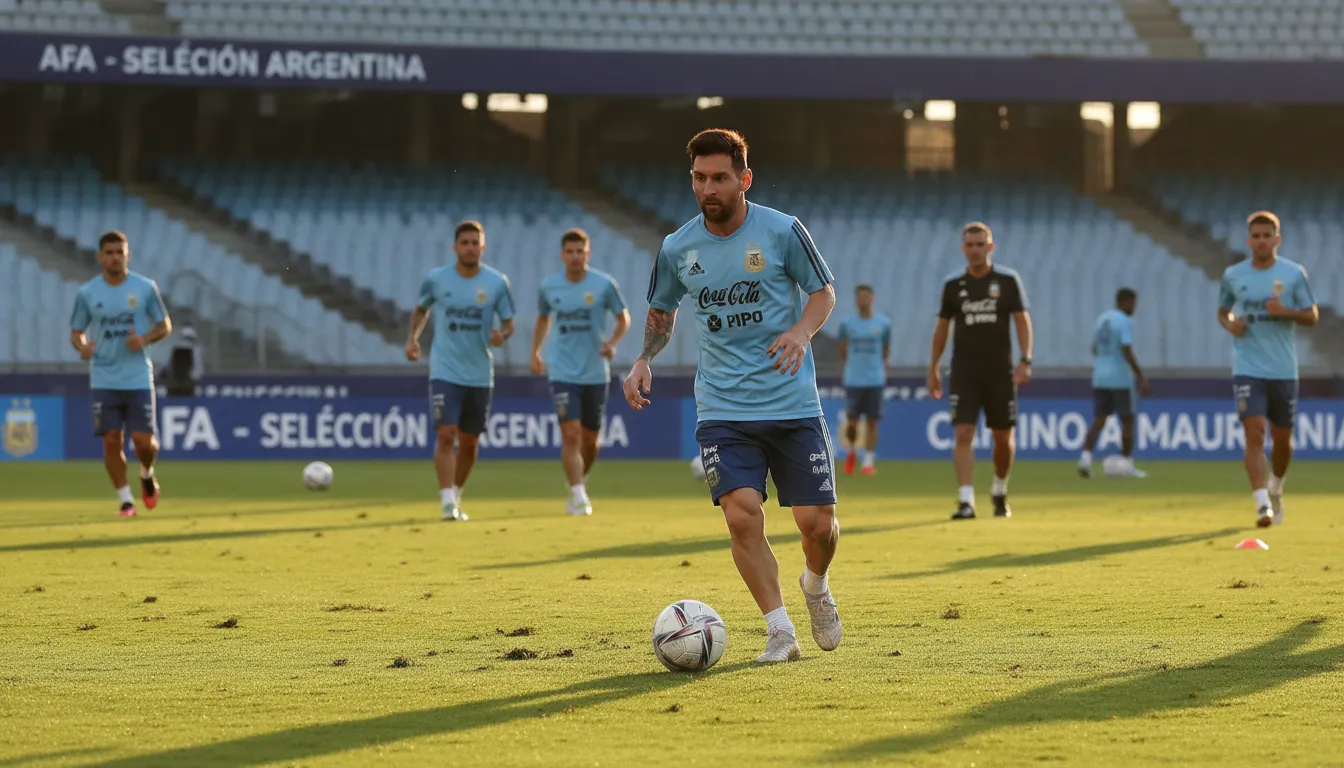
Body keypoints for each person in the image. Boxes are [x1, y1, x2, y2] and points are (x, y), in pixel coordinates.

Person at [624, 128, 842, 664]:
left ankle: (814, 586)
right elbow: (662, 311)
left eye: (720, 178)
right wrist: (644, 358)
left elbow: (823, 292)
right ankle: (780, 631)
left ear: (744, 179)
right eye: (699, 178)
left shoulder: (783, 230)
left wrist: (800, 333)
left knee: (818, 526)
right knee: (742, 516)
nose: (708, 189)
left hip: (792, 403)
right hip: (723, 407)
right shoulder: (678, 247)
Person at [406, 220, 516, 522]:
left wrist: (501, 335)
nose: (470, 247)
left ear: (483, 246)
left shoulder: (496, 282)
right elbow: (421, 309)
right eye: (464, 243)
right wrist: (413, 339)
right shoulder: (436, 279)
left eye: (475, 243)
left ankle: (455, 492)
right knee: (446, 434)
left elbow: (509, 322)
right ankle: (445, 501)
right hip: (445, 369)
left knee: (469, 442)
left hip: (480, 372)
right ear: (455, 247)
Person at [1218, 211, 1318, 528]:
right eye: (1256, 236)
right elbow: (1222, 312)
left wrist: (1285, 311)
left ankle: (1276, 486)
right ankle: (1262, 504)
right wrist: (1231, 325)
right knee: (1255, 431)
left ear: (1277, 239)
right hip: (1248, 366)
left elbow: (1312, 316)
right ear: (1249, 241)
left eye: (1267, 236)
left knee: (1283, 439)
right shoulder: (1234, 275)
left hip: (1283, 369)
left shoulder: (1293, 274)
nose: (1261, 241)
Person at [927, 222, 1033, 520]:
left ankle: (999, 488)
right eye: (970, 245)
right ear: (963, 249)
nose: (975, 249)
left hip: (1000, 372)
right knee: (963, 431)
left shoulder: (1008, 281)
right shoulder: (953, 286)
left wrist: (1026, 360)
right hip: (964, 371)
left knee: (1002, 437)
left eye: (980, 244)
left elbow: (1022, 321)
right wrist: (933, 366)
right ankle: (966, 500)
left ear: (990, 247)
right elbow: (942, 328)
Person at [69, 230, 173, 517]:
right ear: (100, 256)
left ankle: (146, 472)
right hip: (104, 376)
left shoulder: (144, 288)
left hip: (138, 375)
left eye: (120, 252)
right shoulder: (88, 293)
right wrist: (82, 347)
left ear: (128, 255)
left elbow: (165, 325)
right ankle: (126, 500)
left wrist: (145, 339)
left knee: (143, 441)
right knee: (111, 438)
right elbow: (76, 332)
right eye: (110, 252)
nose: (115, 257)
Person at [531, 228, 632, 516]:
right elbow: (542, 319)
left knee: (590, 440)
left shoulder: (603, 284)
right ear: (562, 255)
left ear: (588, 254)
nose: (575, 256)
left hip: (595, 372)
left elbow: (623, 317)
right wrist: (535, 352)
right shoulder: (550, 287)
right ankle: (577, 494)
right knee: (571, 433)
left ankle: (578, 482)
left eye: (580, 251)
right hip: (562, 370)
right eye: (570, 252)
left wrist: (613, 342)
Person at [1079, 288, 1151, 478]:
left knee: (1100, 418)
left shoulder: (1102, 319)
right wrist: (1141, 376)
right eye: (1133, 303)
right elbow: (1126, 348)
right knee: (1128, 419)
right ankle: (1126, 463)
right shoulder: (1125, 321)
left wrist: (1105, 359)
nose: (1134, 308)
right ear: (1125, 302)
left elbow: (1094, 348)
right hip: (1119, 378)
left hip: (1100, 377)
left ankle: (1085, 459)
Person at [836, 284, 891, 476]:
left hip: (875, 379)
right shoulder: (847, 323)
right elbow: (842, 349)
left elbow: (885, 350)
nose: (863, 301)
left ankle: (868, 461)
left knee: (872, 422)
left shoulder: (883, 324)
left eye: (866, 297)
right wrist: (851, 367)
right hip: (854, 379)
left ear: (872, 298)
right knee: (852, 422)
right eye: (859, 297)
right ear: (856, 299)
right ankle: (852, 451)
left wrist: (879, 367)